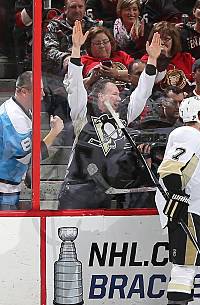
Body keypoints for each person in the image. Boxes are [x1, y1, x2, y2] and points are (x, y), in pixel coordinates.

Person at [57, 20, 160, 209]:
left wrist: (152, 61)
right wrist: (76, 49)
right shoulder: (82, 114)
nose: (119, 98)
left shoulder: (122, 117)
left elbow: (142, 92)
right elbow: (75, 86)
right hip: (77, 189)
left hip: (104, 192)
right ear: (100, 96)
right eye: (114, 94)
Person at [156, 95, 200, 305]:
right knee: (184, 267)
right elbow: (169, 169)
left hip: (191, 207)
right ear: (198, 115)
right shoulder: (188, 134)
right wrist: (178, 196)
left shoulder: (191, 137)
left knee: (187, 266)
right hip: (186, 208)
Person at [0, 72, 63, 209]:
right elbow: (31, 157)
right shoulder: (13, 119)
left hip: (9, 188)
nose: (43, 94)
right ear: (23, 91)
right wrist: (54, 132)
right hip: (4, 192)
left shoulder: (22, 109)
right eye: (39, 90)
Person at [44, 0, 99, 75]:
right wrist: (66, 58)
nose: (77, 10)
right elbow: (49, 51)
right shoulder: (55, 26)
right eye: (73, 7)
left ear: (85, 8)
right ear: (65, 9)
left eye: (80, 7)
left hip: (90, 67)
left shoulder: (93, 25)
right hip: (63, 71)